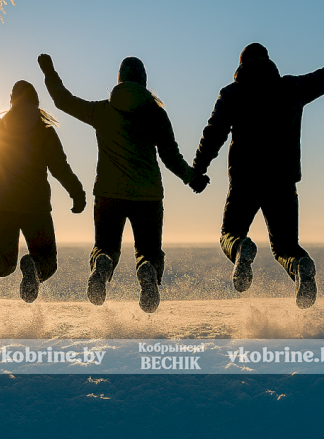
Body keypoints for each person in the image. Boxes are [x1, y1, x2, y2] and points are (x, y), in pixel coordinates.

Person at [190, 20, 324, 308]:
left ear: (241, 65)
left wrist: (199, 168)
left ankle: (242, 248)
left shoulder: (232, 93)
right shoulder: (293, 88)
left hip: (245, 181)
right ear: (269, 62)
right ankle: (301, 265)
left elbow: (213, 132)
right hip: (282, 183)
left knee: (229, 234)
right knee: (285, 247)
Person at [37, 54, 207, 313]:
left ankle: (103, 265)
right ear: (144, 81)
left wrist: (49, 72)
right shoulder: (156, 115)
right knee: (149, 252)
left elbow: (64, 101)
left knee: (106, 247)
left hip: (109, 195)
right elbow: (171, 157)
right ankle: (148, 270)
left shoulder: (102, 111)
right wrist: (191, 178)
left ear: (119, 80)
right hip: (148, 197)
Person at [0, 66, 86, 303]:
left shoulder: (0, 127)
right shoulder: (44, 132)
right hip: (36, 210)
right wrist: (77, 193)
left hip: (2, 207)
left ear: (12, 102)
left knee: (4, 263)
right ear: (36, 102)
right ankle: (33, 267)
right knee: (47, 262)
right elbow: (59, 168)